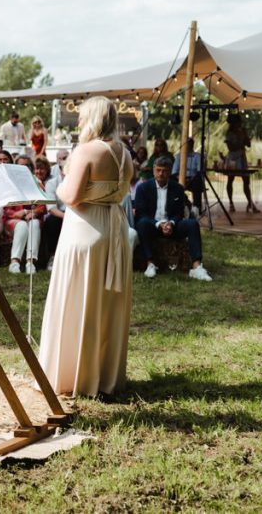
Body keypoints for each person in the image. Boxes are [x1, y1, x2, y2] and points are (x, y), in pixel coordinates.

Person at [37, 96, 134, 397]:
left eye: (81, 117)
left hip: (85, 231)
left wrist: (58, 186)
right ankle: (104, 376)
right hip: (114, 229)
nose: (78, 122)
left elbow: (72, 196)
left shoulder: (86, 151)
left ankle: (71, 377)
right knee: (105, 305)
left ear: (92, 118)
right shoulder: (125, 153)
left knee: (77, 302)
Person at [134, 156, 212, 281]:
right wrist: (159, 224)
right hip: (152, 225)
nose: (161, 174)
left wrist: (171, 223)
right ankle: (150, 263)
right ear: (153, 170)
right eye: (158, 170)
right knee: (142, 223)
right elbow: (141, 213)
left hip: (172, 226)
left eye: (164, 171)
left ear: (170, 172)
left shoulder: (178, 188)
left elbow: (179, 213)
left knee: (192, 224)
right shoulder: (143, 188)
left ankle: (196, 267)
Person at [224, 113, 257, 213]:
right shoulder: (229, 134)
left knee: (246, 180)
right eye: (238, 122)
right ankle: (231, 203)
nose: (240, 124)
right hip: (234, 157)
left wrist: (245, 136)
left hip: (242, 157)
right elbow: (230, 147)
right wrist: (240, 144)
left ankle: (250, 202)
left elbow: (248, 144)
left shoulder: (242, 131)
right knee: (230, 179)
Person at [40, 157, 65, 269]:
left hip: (76, 213)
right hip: (59, 214)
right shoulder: (52, 183)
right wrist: (66, 217)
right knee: (51, 221)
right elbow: (51, 208)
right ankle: (53, 256)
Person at [172, 137, 203, 209]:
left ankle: (197, 207)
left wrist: (191, 179)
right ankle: (175, 205)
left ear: (192, 145)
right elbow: (174, 171)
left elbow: (199, 171)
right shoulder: (179, 156)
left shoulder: (197, 156)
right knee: (171, 179)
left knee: (198, 181)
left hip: (193, 179)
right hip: (180, 177)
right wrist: (179, 177)